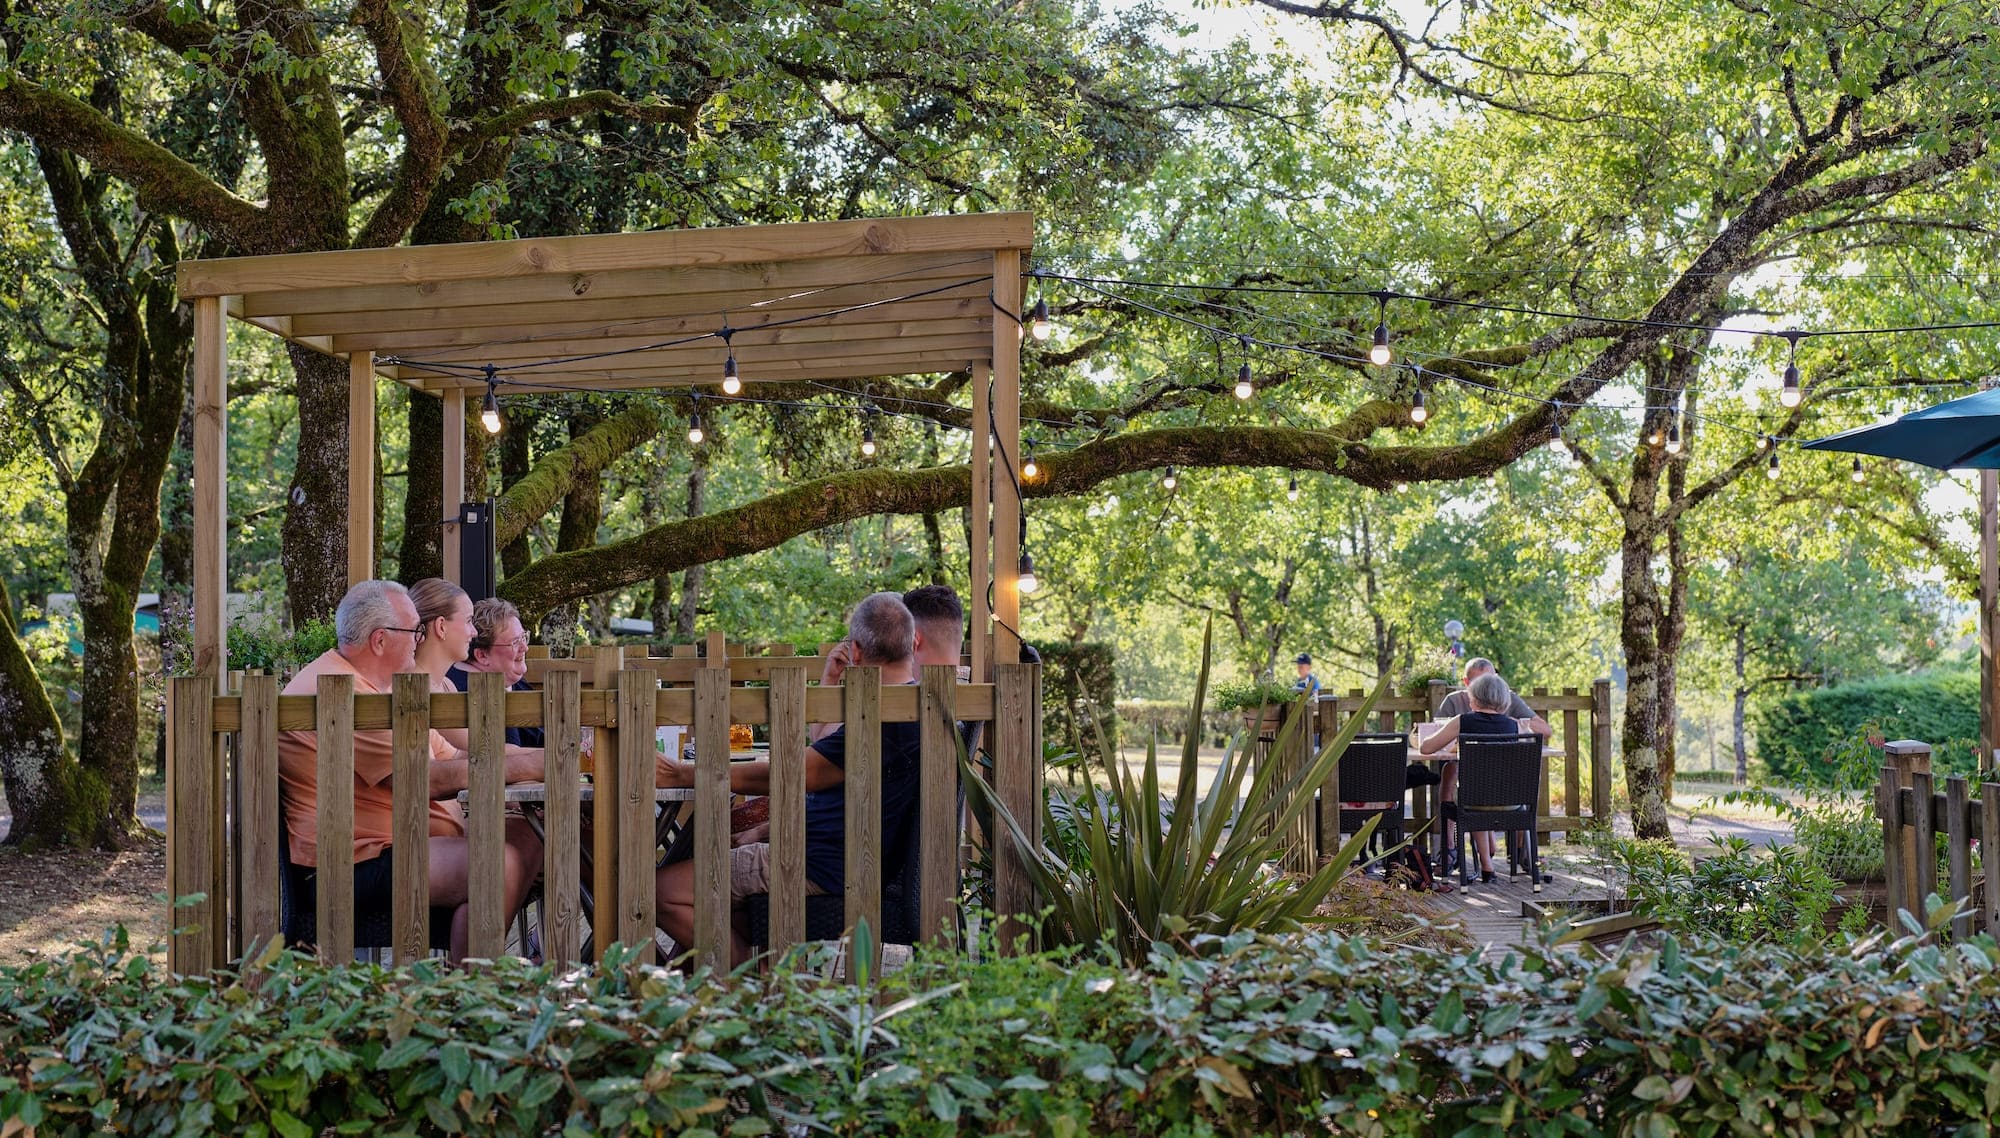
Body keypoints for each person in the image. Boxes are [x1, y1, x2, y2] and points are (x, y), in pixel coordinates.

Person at [277, 580, 543, 963]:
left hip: (397, 842)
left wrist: (539, 760)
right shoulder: (344, 691)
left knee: (528, 836)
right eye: (414, 631)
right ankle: (471, 984)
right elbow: (424, 779)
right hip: (350, 861)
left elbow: (453, 754)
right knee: (498, 865)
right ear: (380, 640)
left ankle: (471, 972)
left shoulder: (381, 688)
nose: (420, 640)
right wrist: (528, 765)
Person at [653, 592, 923, 968]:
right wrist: (831, 678)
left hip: (815, 864)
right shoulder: (902, 706)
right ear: (913, 643)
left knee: (660, 891)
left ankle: (750, 981)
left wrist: (683, 773)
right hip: (838, 857)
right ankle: (737, 976)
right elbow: (824, 750)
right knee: (721, 910)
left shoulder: (884, 720)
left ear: (857, 651)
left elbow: (795, 773)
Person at [409, 578, 547, 959]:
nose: (472, 634)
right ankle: (477, 967)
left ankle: (482, 964)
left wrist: (543, 761)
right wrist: (547, 761)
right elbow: (466, 759)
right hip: (426, 828)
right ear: (441, 627)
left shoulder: (444, 688)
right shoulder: (413, 687)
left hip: (452, 817)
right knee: (520, 847)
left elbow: (468, 753)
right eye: (469, 622)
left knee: (535, 834)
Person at [1420, 671, 1543, 882]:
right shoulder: (1515, 725)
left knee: (1469, 787)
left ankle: (1484, 866)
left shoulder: (1462, 721)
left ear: (1474, 697)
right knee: (1483, 790)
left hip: (1474, 802)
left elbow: (1426, 748)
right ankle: (1489, 867)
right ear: (1504, 699)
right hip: (1511, 803)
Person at [447, 596, 543, 748]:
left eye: (524, 637)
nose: (525, 648)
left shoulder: (510, 680)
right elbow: (509, 757)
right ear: (482, 656)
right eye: (515, 642)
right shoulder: (472, 693)